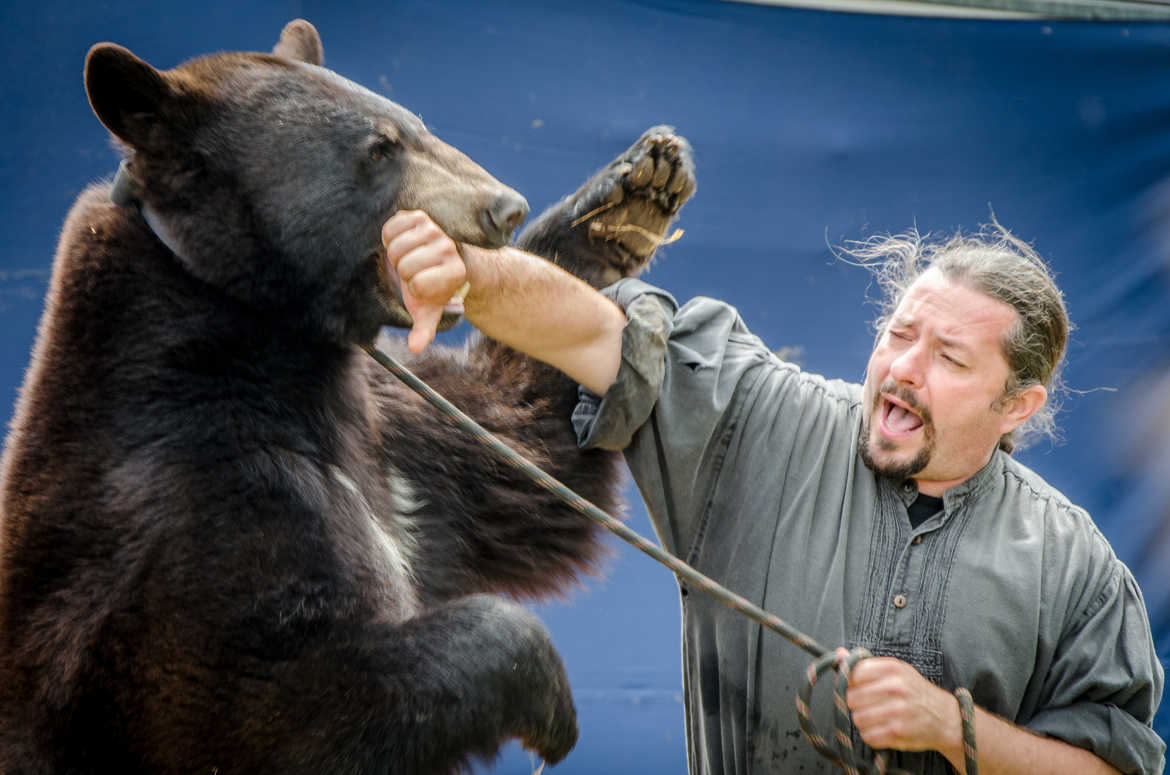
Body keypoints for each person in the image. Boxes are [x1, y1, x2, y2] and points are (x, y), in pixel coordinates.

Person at [381, 208, 1165, 774]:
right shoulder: (760, 420)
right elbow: (595, 333)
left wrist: (952, 728)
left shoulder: (1076, 569)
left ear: (1017, 404)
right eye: (899, 334)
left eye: (950, 359)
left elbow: (1115, 766)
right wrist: (470, 275)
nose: (902, 369)